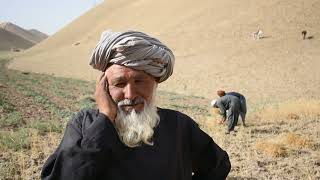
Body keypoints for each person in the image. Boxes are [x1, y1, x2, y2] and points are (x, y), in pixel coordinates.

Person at [41, 30, 231, 180]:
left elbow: (218, 165)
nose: (130, 95)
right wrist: (105, 118)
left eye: (139, 82)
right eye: (119, 84)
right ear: (104, 87)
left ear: (155, 83)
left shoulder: (178, 125)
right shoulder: (84, 124)